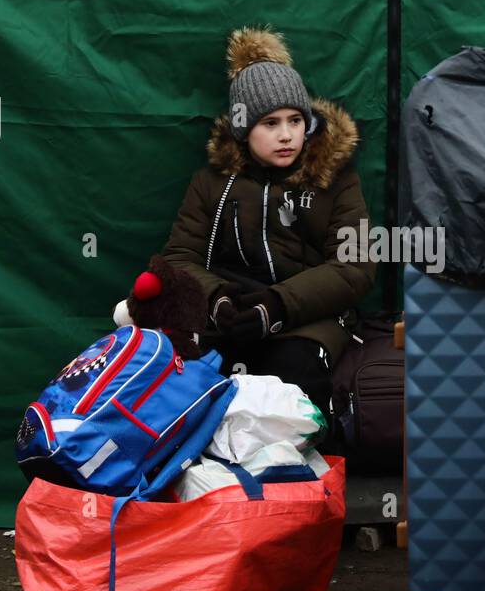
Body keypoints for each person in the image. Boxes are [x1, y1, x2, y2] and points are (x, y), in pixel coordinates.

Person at [160, 27, 375, 431]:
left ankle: (294, 483)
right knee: (192, 385)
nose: (286, 134)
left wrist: (276, 306)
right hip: (229, 316)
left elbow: (354, 267)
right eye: (270, 123)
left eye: (296, 120)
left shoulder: (336, 179)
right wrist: (217, 301)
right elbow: (179, 258)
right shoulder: (211, 183)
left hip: (309, 319)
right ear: (243, 130)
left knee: (289, 384)